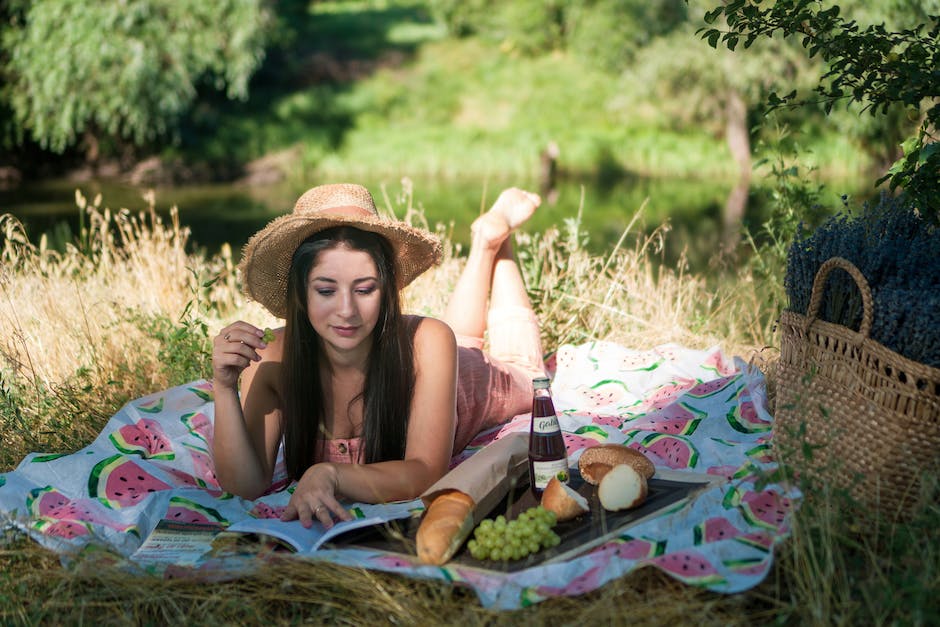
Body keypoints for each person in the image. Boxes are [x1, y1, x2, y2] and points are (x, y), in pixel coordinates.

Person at [211, 183, 546, 529]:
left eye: (365, 289)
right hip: (435, 358)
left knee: (530, 373)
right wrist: (223, 388)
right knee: (464, 339)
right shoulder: (271, 360)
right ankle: (486, 243)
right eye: (326, 290)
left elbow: (425, 473)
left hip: (465, 384)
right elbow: (245, 486)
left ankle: (495, 244)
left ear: (386, 289)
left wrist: (332, 474)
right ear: (300, 294)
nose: (346, 310)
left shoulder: (428, 342)